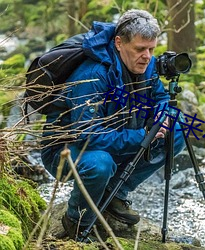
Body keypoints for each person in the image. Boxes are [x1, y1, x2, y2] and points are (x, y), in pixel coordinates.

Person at [41, 9, 185, 241]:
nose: (147, 56)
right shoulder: (92, 75)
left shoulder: (145, 65)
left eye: (152, 49)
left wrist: (161, 118)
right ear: (119, 43)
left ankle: (115, 193)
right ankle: (76, 221)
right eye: (140, 49)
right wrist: (143, 135)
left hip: (116, 135)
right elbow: (87, 136)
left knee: (176, 131)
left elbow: (160, 98)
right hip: (66, 150)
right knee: (100, 164)